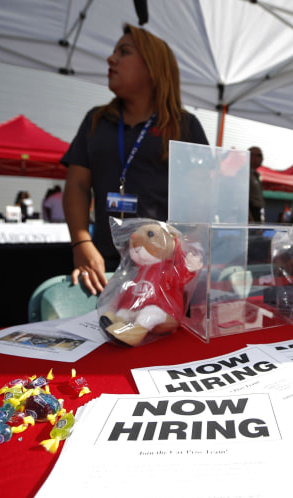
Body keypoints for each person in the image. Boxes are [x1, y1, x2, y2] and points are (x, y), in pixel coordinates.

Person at [61, 24, 208, 295]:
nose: (111, 59)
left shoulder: (184, 126)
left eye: (124, 52)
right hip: (102, 268)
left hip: (167, 271)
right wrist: (81, 244)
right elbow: (77, 185)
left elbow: (202, 203)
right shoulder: (96, 121)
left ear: (153, 68)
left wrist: (190, 259)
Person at [247, 147, 266, 223]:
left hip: (258, 213)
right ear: (251, 156)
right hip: (252, 213)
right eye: (259, 155)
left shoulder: (255, 175)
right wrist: (251, 219)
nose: (262, 158)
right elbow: (242, 199)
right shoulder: (245, 174)